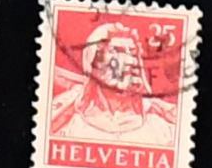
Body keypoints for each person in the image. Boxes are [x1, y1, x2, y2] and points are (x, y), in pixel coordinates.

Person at [48, 23, 177, 148]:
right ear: (93, 63)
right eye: (117, 51)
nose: (131, 61)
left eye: (133, 53)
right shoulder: (65, 125)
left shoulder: (164, 129)